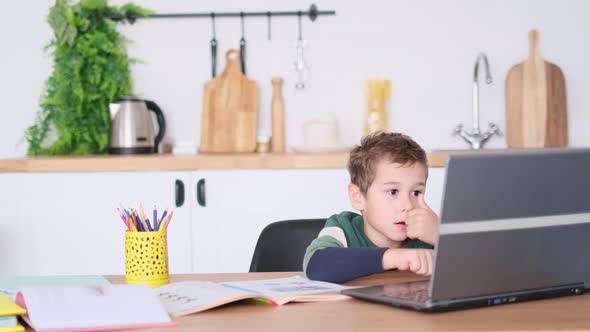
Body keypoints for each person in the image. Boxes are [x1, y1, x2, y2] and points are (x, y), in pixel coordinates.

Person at [303, 132, 438, 283]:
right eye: (393, 191)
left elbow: (468, 273)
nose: (408, 205)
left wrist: (441, 235)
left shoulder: (429, 233)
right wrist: (393, 257)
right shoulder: (343, 228)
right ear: (358, 197)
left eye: (416, 192)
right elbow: (316, 265)